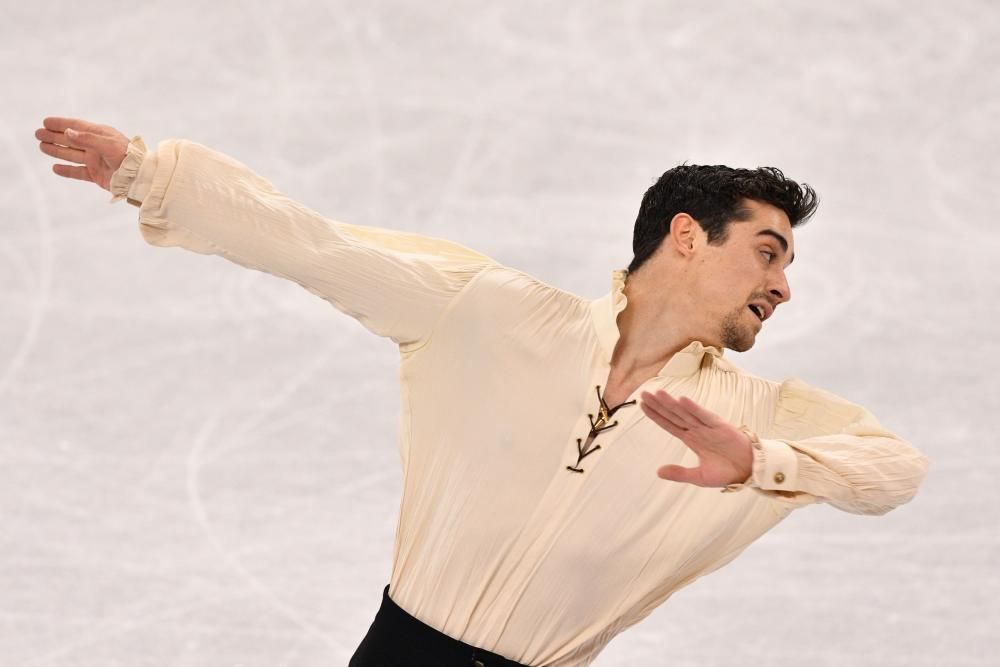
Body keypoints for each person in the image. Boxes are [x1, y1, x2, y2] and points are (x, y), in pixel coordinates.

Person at [36, 117, 930, 667]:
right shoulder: (494, 314)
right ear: (687, 236)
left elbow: (896, 468)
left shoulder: (751, 417)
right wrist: (147, 175)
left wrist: (762, 463)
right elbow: (312, 245)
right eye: (768, 250)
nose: (783, 285)